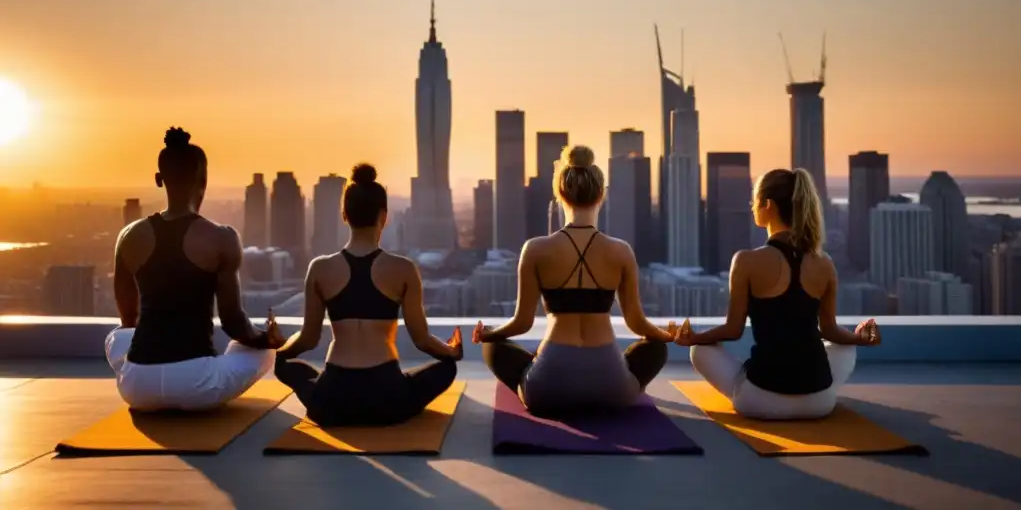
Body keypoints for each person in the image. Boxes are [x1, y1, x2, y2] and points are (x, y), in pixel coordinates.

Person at [475, 145, 676, 419]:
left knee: (494, 346)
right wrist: (667, 336)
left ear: (559, 194)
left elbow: (522, 323)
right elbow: (637, 323)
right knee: (655, 348)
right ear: (601, 195)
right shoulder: (621, 251)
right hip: (612, 391)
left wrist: (488, 334)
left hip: (549, 391)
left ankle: (535, 368)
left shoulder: (535, 249)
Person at [676, 167, 881, 420]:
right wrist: (859, 339)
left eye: (755, 201)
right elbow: (829, 331)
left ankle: (754, 390)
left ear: (768, 205)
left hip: (761, 401)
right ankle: (809, 396)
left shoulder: (746, 261)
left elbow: (733, 330)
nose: (752, 206)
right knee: (846, 348)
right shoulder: (824, 263)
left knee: (700, 350)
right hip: (820, 403)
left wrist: (695, 337)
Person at [107, 127, 284, 411]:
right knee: (264, 354)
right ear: (203, 180)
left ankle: (150, 386)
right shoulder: (222, 237)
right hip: (197, 385)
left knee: (116, 337)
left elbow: (130, 319)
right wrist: (267, 339)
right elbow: (233, 322)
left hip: (137, 387)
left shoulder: (129, 236)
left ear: (158, 180)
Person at [274, 163, 462, 427]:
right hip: (387, 399)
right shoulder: (403, 269)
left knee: (284, 366)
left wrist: (280, 349)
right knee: (447, 368)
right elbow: (422, 340)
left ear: (344, 215)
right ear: (383, 216)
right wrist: (451, 351)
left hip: (332, 399)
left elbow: (307, 339)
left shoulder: (319, 268)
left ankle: (322, 394)